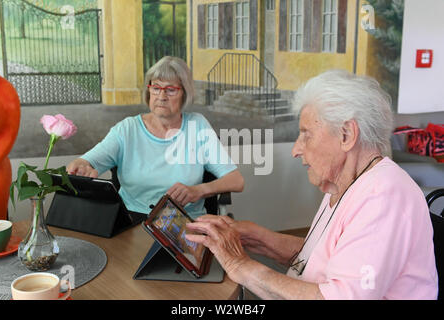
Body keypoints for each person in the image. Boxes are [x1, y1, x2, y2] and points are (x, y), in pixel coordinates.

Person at [186, 70, 438, 299]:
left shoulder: (382, 197)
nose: (296, 149)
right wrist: (256, 237)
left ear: (346, 135)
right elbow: (323, 258)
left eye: (306, 134)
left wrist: (241, 266)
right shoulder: (346, 183)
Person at [67, 56, 244, 218]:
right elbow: (84, 163)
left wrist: (199, 191)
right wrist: (81, 166)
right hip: (132, 221)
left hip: (184, 223)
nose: (161, 96)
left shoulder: (197, 126)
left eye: (171, 90)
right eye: (156, 88)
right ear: (148, 91)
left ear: (185, 94)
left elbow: (236, 181)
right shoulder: (127, 129)